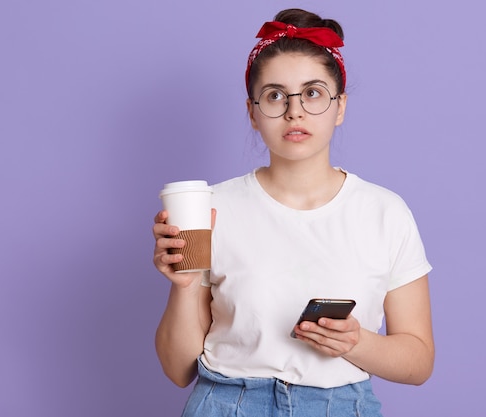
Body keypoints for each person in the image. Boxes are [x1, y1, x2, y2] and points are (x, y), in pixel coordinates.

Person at [152, 8, 434, 417]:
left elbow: (419, 361)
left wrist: (356, 342)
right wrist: (182, 286)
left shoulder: (384, 212)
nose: (294, 111)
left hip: (340, 405)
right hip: (226, 404)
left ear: (340, 107)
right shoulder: (210, 208)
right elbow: (178, 371)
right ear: (252, 112)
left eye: (314, 93)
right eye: (275, 95)